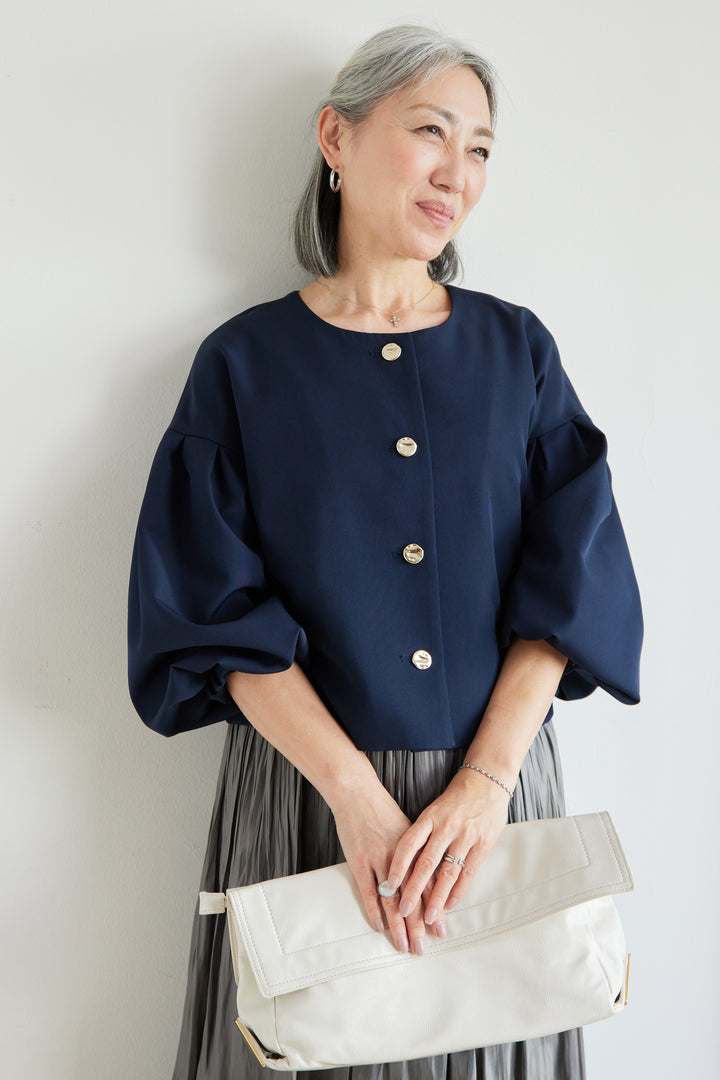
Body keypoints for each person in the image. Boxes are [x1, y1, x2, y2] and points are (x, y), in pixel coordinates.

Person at [128, 23, 643, 1080]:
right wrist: (355, 797)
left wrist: (486, 784)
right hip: (308, 801)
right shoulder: (243, 363)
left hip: (487, 798)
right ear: (337, 137)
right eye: (431, 132)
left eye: (482, 148)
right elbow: (207, 612)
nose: (458, 172)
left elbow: (574, 583)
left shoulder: (518, 351)